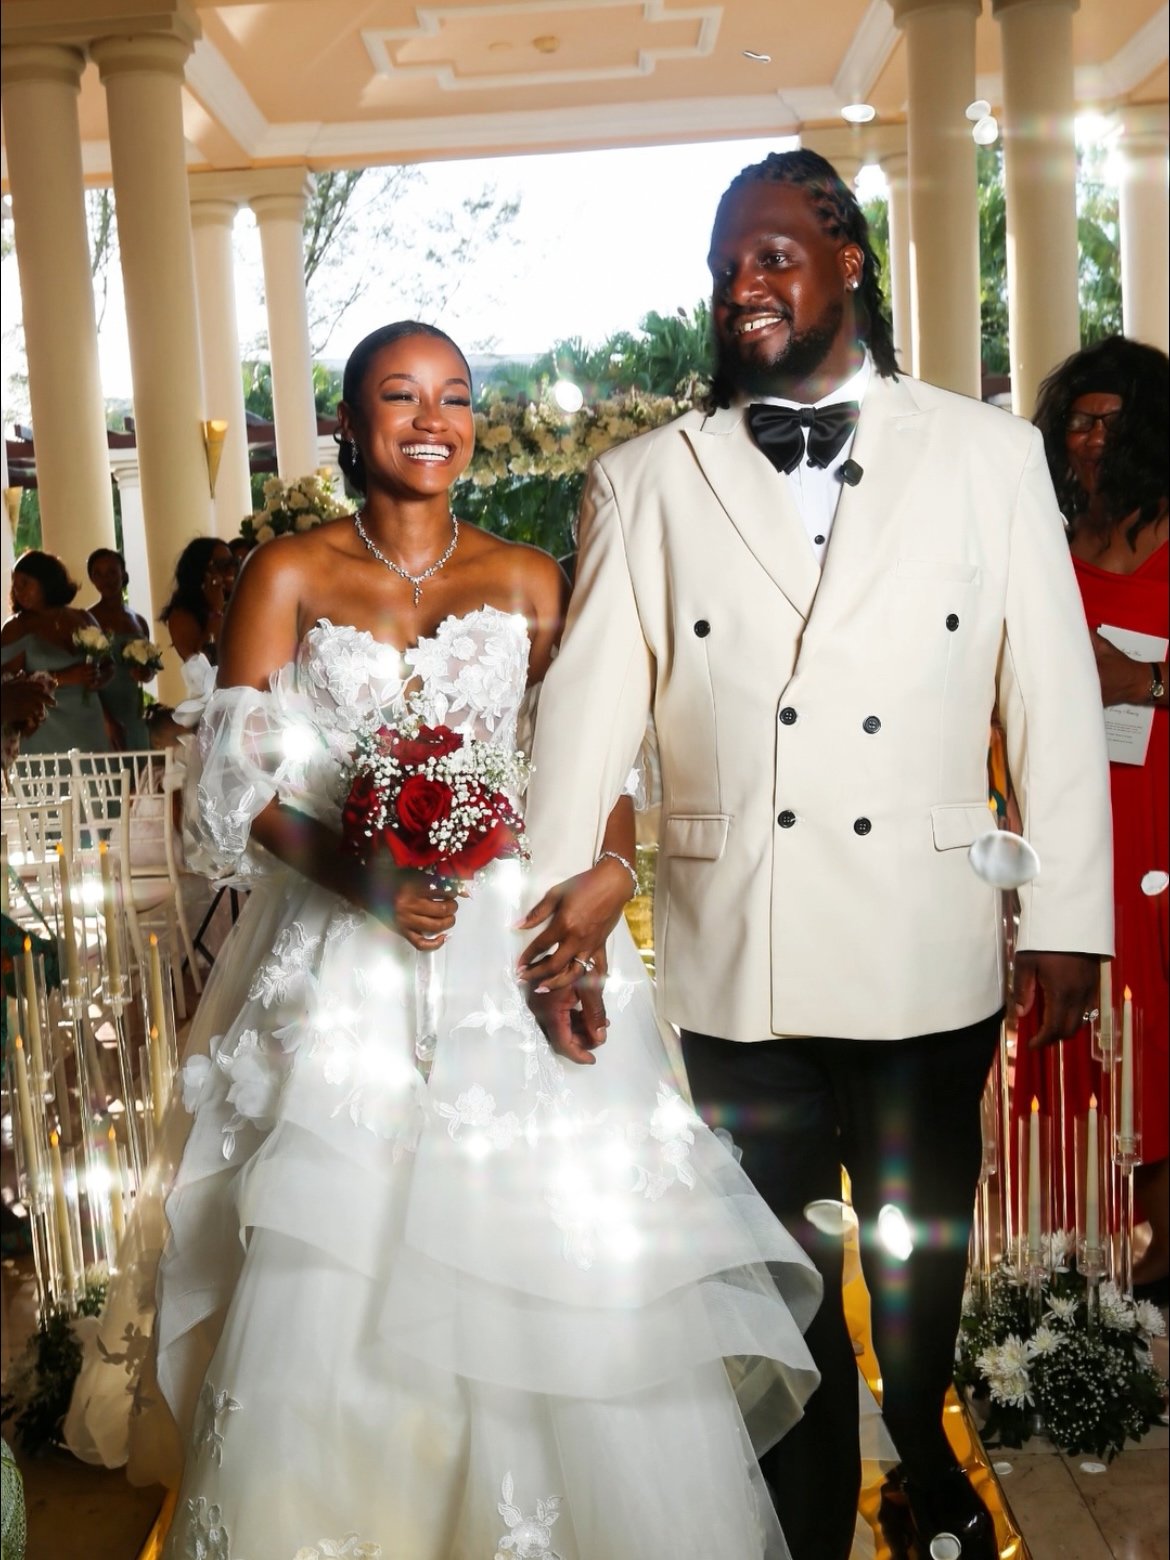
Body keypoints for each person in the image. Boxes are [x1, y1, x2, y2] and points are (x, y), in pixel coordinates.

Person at [67, 322, 827, 1560]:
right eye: (400, 396)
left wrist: (604, 885)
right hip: (350, 969)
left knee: (553, 1249)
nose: (434, 419)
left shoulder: (533, 578)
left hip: (514, 954)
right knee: (337, 1251)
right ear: (354, 423)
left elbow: (600, 767)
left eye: (457, 397)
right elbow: (234, 790)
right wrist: (360, 878)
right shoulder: (288, 574)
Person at [517, 149, 1114, 1560]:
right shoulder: (644, 479)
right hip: (741, 964)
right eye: (727, 265)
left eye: (774, 254)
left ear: (850, 262)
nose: (744, 285)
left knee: (916, 1277)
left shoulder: (986, 455)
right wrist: (544, 933)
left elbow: (1049, 700)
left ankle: (922, 1459)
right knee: (777, 1292)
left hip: (925, 942)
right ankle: (806, 1532)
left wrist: (1070, 916)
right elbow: (583, 725)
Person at [1017, 336, 1168, 1296]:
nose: (1089, 438)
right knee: (1100, 1016)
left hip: (1164, 809)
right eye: (1077, 419)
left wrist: (1145, 679)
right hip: (1083, 819)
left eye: (1110, 421)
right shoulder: (1046, 551)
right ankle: (1082, 1250)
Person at [0, 550, 113, 755]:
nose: (18, 591)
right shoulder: (16, 628)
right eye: (15, 585)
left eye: (25, 583)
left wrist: (100, 676)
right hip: (46, 727)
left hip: (89, 721)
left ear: (46, 581)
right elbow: (9, 684)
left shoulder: (83, 618)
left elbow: (108, 663)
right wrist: (64, 677)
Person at [86, 547, 154, 751]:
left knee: (141, 775)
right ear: (92, 579)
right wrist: (107, 721)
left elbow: (150, 670)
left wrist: (145, 672)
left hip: (133, 709)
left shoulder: (138, 621)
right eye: (98, 574)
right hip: (104, 712)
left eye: (111, 572)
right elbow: (86, 679)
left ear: (123, 574)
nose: (105, 579)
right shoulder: (89, 620)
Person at [159, 537, 237, 665]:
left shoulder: (235, 603)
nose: (231, 571)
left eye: (233, 563)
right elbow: (203, 663)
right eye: (223, 565)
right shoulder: (181, 615)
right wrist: (215, 611)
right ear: (202, 572)